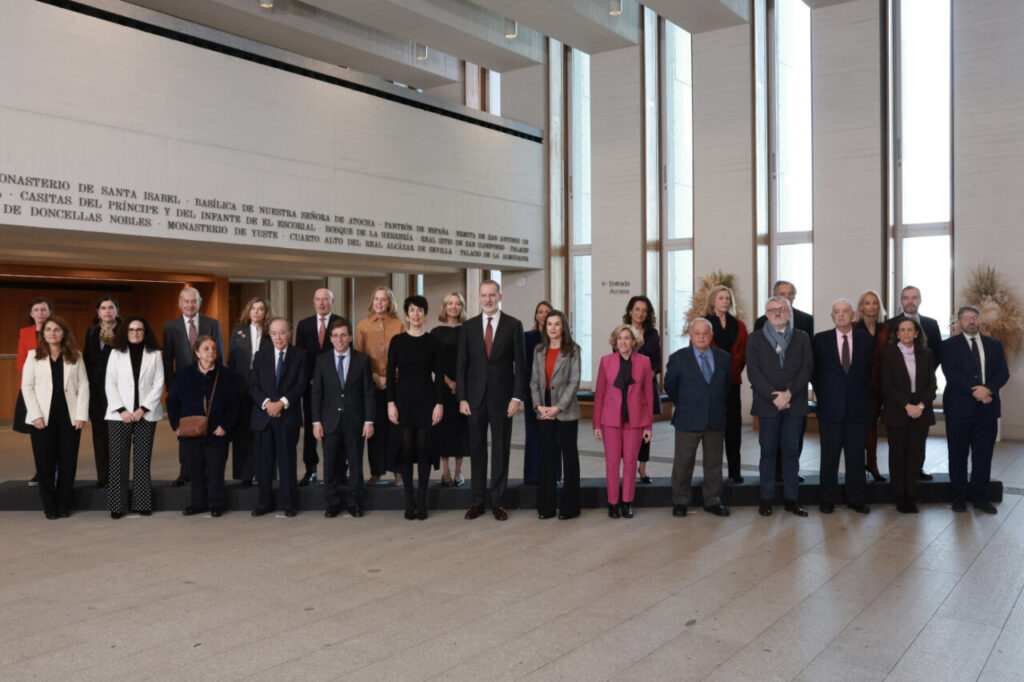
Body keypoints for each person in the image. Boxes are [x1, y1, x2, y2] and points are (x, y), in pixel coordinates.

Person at [457, 279, 527, 521]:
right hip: (474, 400)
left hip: (502, 399)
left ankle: (498, 502)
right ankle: (477, 501)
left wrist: (516, 398)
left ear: (500, 297)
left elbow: (521, 365)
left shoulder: (513, 325)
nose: (488, 299)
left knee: (500, 451)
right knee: (476, 451)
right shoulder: (468, 327)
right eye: (484, 295)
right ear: (478, 298)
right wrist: (462, 398)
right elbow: (462, 365)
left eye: (492, 295)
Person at [746, 296, 813, 517]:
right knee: (767, 453)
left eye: (782, 309)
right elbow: (754, 373)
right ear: (766, 314)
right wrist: (773, 396)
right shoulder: (754, 339)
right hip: (768, 405)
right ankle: (766, 499)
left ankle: (791, 499)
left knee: (791, 453)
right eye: (772, 310)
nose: (777, 313)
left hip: (794, 404)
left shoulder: (802, 338)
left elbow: (807, 368)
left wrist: (790, 393)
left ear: (789, 312)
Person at [941, 305, 1010, 514]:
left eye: (974, 317)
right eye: (966, 318)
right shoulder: (949, 345)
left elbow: (1003, 373)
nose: (971, 321)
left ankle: (981, 497)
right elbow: (951, 373)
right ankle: (959, 496)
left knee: (983, 456)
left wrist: (987, 389)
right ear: (959, 322)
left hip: (986, 410)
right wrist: (976, 391)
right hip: (958, 410)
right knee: (958, 455)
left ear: (980, 321)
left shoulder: (994, 345)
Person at [20, 315, 89, 519]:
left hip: (69, 415)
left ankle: (64, 504)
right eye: (48, 329)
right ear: (44, 333)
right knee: (45, 463)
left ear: (64, 333)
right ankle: (50, 505)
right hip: (42, 417)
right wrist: (35, 415)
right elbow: (27, 387)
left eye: (57, 329)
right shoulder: (33, 356)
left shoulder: (75, 355)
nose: (52, 333)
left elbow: (84, 386)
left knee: (68, 463)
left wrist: (81, 414)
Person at [664, 318, 732, 518]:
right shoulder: (678, 358)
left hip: (715, 417)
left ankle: (713, 501)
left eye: (705, 333)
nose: (701, 336)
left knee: (714, 463)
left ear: (711, 336)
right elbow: (670, 386)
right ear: (690, 335)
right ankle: (680, 501)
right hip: (688, 417)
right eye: (697, 333)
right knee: (683, 463)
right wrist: (686, 403)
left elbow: (726, 386)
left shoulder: (724, 358)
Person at [167, 335, 240, 517]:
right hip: (191, 432)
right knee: (195, 469)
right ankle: (197, 503)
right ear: (197, 353)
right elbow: (171, 401)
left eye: (214, 349)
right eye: (206, 349)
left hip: (217, 431)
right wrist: (176, 425)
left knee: (216, 470)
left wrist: (225, 425)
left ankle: (216, 504)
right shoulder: (185, 374)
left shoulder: (227, 375)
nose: (211, 352)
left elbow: (235, 404)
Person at [812, 299, 873, 515]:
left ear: (853, 314)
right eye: (836, 312)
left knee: (856, 457)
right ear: (831, 316)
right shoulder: (820, 340)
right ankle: (827, 499)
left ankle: (856, 499)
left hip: (857, 408)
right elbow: (814, 374)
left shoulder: (866, 340)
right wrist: (826, 396)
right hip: (830, 408)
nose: (841, 315)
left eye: (845, 311)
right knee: (829, 457)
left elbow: (870, 372)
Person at [387, 296, 444, 520]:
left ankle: (422, 503)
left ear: (425, 314)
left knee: (423, 450)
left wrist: (439, 404)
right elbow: (391, 376)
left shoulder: (433, 342)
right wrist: (390, 403)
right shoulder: (397, 341)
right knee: (406, 450)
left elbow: (439, 377)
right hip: (402, 401)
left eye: (420, 310)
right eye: (412, 310)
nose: (416, 314)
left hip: (427, 400)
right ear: (407, 314)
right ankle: (409, 502)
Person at [312, 318, 375, 518]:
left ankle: (354, 502)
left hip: (355, 421)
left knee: (355, 464)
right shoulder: (322, 360)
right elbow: (317, 394)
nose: (340, 339)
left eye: (343, 335)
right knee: (330, 464)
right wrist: (316, 422)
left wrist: (369, 421)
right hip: (329, 422)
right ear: (330, 338)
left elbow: (368, 393)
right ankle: (332, 503)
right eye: (336, 335)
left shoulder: (362, 360)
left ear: (349, 337)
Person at [163, 286, 224, 486]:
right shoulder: (170, 327)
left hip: (208, 383)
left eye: (194, 301)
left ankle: (206, 470)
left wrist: (218, 383)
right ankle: (185, 471)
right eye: (186, 301)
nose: (190, 305)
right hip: (184, 386)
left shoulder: (212, 323)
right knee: (185, 427)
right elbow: (167, 360)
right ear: (180, 303)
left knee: (207, 425)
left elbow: (220, 355)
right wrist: (172, 389)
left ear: (200, 302)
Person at [104, 316, 164, 518]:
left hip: (145, 415)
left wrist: (143, 409)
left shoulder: (155, 355)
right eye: (131, 329)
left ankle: (142, 502)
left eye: (139, 329)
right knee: (118, 461)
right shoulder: (115, 354)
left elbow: (159, 383)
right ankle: (117, 505)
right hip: (119, 415)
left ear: (145, 332)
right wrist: (122, 410)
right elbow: (109, 383)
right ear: (125, 332)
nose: (136, 333)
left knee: (142, 460)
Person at [593, 324, 653, 519]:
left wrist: (648, 425)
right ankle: (612, 503)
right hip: (610, 419)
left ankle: (627, 502)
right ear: (615, 341)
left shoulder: (644, 362)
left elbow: (649, 395)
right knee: (611, 462)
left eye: (627, 338)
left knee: (630, 461)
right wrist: (596, 424)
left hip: (635, 420)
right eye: (620, 338)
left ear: (634, 341)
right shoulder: (606, 361)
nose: (623, 342)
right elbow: (600, 394)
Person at [250, 317, 308, 517]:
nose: (278, 337)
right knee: (264, 464)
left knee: (287, 463)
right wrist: (267, 404)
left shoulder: (299, 355)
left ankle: (289, 504)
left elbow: (301, 385)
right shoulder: (260, 355)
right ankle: (264, 503)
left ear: (290, 333)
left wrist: (281, 403)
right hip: (264, 417)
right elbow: (253, 385)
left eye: (282, 332)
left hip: (287, 416)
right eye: (274, 333)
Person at [885, 285, 944, 481]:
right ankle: (900, 482)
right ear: (901, 301)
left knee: (919, 441)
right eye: (906, 298)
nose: (910, 301)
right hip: (898, 393)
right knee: (898, 442)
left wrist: (924, 377)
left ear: (920, 300)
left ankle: (916, 471)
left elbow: (937, 354)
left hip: (922, 389)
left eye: (914, 297)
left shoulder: (931, 324)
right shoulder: (890, 324)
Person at [529, 309, 581, 520]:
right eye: (549, 324)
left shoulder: (573, 350)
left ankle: (570, 508)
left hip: (565, 409)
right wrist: (539, 406)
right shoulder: (539, 350)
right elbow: (533, 381)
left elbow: (574, 382)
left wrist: (558, 407)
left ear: (563, 327)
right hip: (544, 408)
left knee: (569, 460)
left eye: (557, 324)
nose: (552, 328)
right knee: (547, 459)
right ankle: (546, 507)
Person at [880, 318, 936, 513]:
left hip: (921, 410)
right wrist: (907, 405)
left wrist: (920, 405)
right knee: (897, 455)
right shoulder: (888, 354)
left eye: (909, 330)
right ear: (897, 334)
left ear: (916, 333)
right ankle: (899, 496)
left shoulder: (926, 354)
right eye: (901, 330)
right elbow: (887, 385)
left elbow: (932, 385)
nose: (905, 333)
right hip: (897, 409)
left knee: (915, 455)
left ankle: (910, 495)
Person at [355, 286, 405, 486]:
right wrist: (375, 377)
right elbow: (358, 357)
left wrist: (392, 377)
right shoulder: (363, 326)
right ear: (372, 301)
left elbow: (404, 354)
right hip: (371, 385)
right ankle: (376, 471)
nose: (379, 303)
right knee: (374, 430)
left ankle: (398, 471)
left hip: (396, 384)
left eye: (383, 299)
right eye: (376, 299)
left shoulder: (399, 324)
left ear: (389, 302)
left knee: (396, 429)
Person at [295, 288, 342, 486]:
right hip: (310, 387)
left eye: (325, 299)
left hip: (334, 387)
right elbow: (300, 357)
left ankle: (339, 471)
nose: (321, 303)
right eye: (318, 299)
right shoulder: (304, 325)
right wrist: (309, 380)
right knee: (312, 429)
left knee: (335, 428)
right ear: (314, 302)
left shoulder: (340, 323)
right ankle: (310, 469)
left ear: (332, 301)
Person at [703, 285, 748, 484]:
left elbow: (742, 354)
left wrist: (730, 369)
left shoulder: (739, 325)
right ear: (713, 301)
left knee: (733, 429)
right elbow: (705, 353)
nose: (725, 301)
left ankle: (735, 471)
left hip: (733, 382)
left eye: (727, 298)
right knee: (713, 431)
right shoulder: (704, 324)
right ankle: (713, 474)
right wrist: (721, 370)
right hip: (711, 386)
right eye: (721, 298)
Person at [227, 296, 273, 486]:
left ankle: (265, 473)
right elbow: (232, 361)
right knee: (243, 432)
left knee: (264, 432)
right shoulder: (238, 332)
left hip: (265, 388)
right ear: (248, 311)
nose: (256, 312)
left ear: (265, 312)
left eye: (260, 308)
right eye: (252, 308)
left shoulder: (271, 333)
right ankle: (244, 474)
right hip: (242, 387)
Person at [430, 292, 469, 487]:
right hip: (443, 387)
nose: (453, 307)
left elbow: (471, 361)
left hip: (463, 388)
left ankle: (458, 472)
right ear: (444, 307)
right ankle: (445, 471)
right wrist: (450, 383)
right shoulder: (436, 332)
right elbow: (434, 363)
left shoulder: (468, 330)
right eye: (450, 303)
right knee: (444, 430)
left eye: (457, 304)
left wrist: (460, 384)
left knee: (460, 431)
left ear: (462, 307)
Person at [15, 297, 53, 486]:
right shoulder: (25, 332)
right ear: (31, 314)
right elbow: (21, 362)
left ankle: (53, 469)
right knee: (37, 433)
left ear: (49, 312)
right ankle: (41, 471)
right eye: (36, 310)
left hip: (52, 388)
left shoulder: (55, 331)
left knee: (53, 431)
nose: (40, 313)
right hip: (31, 389)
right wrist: (35, 380)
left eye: (43, 310)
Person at [624, 295, 661, 484]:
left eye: (644, 310)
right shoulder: (622, 332)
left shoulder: (652, 334)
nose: (640, 313)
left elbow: (656, 361)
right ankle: (629, 465)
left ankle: (643, 468)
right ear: (630, 311)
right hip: (627, 388)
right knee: (628, 429)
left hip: (647, 386)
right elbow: (618, 357)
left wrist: (644, 380)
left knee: (645, 429)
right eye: (637, 309)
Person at [83, 296, 119, 489]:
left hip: (118, 392)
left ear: (116, 311)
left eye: (111, 307)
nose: (107, 311)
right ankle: (103, 476)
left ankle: (116, 476)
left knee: (116, 435)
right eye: (103, 308)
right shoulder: (91, 332)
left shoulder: (125, 331)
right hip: (96, 392)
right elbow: (87, 360)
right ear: (98, 312)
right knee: (99, 435)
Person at [854, 289, 889, 482]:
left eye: (875, 303)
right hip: (859, 385)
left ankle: (873, 465)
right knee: (859, 427)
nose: (872, 306)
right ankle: (858, 466)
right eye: (867, 303)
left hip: (879, 385)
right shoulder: (853, 328)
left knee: (872, 427)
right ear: (861, 307)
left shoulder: (887, 329)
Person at [522, 300, 553, 485]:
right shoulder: (527, 337)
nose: (543, 314)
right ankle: (532, 476)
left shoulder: (557, 336)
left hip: (552, 392)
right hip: (532, 391)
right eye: (540, 311)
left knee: (552, 435)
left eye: (546, 311)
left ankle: (553, 475)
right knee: (533, 433)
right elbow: (524, 365)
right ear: (536, 315)